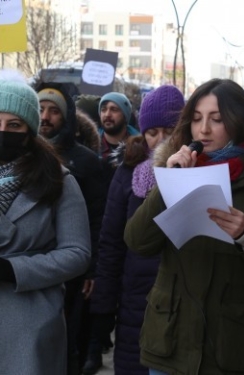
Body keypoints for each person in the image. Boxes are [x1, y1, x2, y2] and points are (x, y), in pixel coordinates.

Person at [124, 78, 244, 375]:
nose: (203, 129)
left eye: (216, 119)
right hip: (172, 343)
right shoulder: (175, 167)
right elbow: (137, 241)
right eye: (196, 119)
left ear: (239, 121)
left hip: (235, 349)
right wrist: (168, 183)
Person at [85, 85, 185, 375]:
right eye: (153, 132)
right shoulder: (128, 172)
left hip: (183, 296)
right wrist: (103, 309)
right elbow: (112, 242)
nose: (161, 140)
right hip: (136, 301)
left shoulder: (198, 170)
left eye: (170, 130)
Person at [0, 76, 91, 374]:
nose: (3, 132)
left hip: (29, 324)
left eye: (14, 125)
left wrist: (14, 270)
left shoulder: (59, 180)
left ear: (29, 130)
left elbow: (77, 253)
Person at [36, 82, 106, 375]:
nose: (45, 117)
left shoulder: (86, 162)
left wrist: (92, 268)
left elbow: (97, 217)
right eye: (40, 109)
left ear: (66, 117)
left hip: (71, 270)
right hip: (30, 264)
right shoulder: (16, 158)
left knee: (67, 341)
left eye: (53, 111)